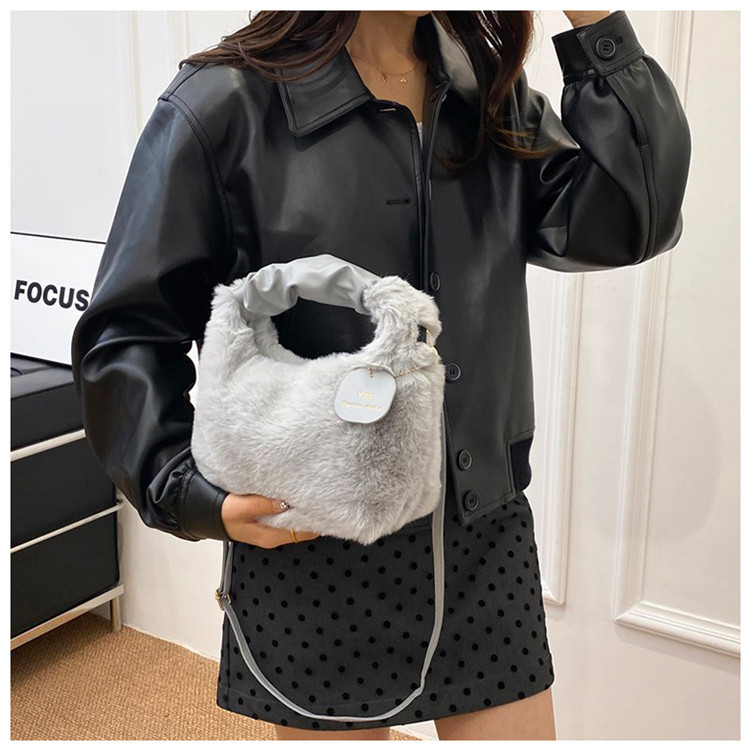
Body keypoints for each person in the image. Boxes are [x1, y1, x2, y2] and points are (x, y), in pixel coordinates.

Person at [70, 10, 691, 741]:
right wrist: (188, 491)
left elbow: (632, 217)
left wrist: (597, 27)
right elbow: (128, 331)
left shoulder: (484, 86)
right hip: (312, 540)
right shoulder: (224, 103)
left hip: (479, 531)